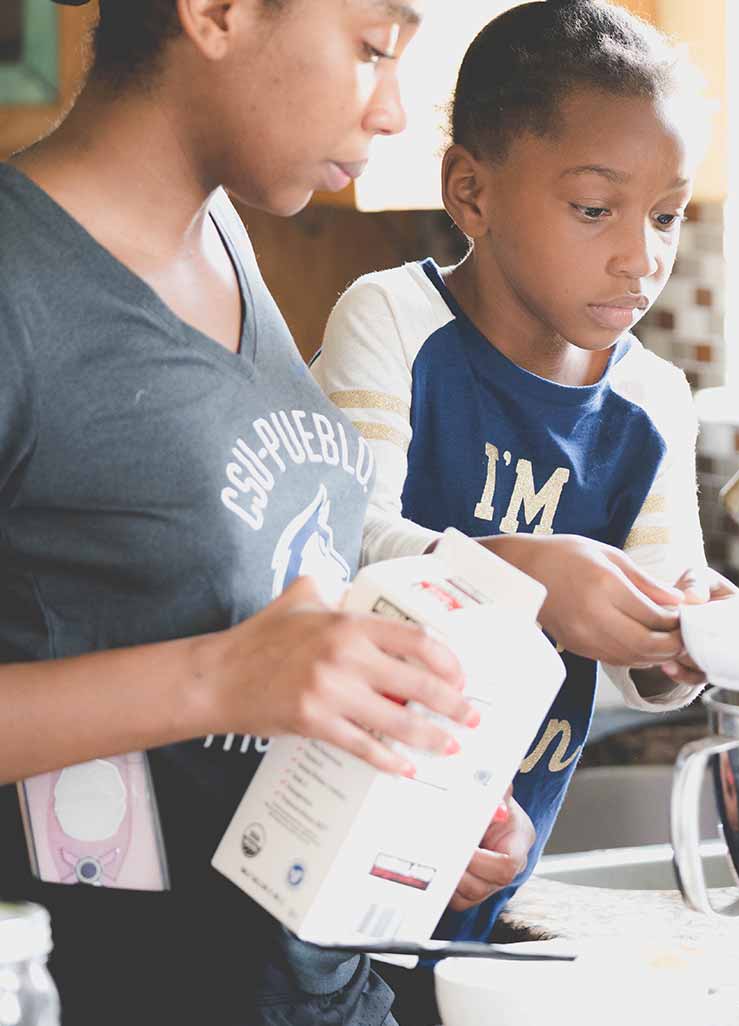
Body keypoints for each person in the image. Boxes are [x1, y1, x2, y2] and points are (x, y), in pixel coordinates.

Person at [0, 2, 538, 1023]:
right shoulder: (19, 284)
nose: (393, 112)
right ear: (218, 13)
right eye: (374, 50)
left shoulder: (221, 233)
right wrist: (215, 679)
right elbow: (224, 669)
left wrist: (402, 799)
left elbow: (251, 623)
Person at [308, 4, 739, 1017]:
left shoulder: (653, 403)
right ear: (471, 190)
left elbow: (631, 683)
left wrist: (678, 638)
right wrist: (530, 583)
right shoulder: (395, 322)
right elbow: (334, 551)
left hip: (484, 882)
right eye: (596, 209)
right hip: (322, 864)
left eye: (667, 215)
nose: (641, 259)